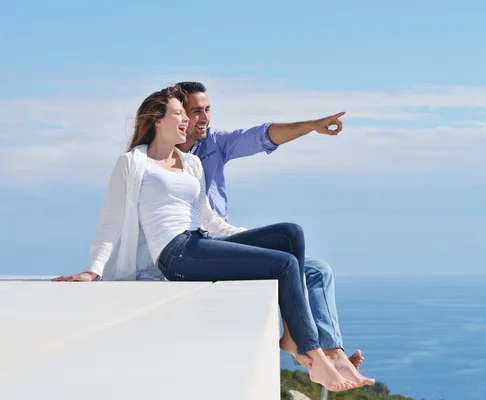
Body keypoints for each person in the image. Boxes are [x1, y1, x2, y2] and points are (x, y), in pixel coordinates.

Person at [52, 85, 373, 391]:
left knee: (290, 235)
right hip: (174, 253)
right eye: (180, 113)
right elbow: (111, 221)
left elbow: (210, 221)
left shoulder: (190, 163)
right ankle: (313, 355)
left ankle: (294, 336)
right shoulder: (134, 163)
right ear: (157, 121)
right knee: (286, 264)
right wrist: (93, 268)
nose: (188, 121)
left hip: (199, 239)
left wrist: (256, 242)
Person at [173, 81, 365, 372]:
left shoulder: (214, 144)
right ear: (179, 115)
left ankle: (329, 352)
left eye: (208, 110)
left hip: (226, 238)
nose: (205, 118)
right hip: (196, 247)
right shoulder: (159, 157)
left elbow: (262, 135)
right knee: (292, 245)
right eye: (196, 111)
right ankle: (308, 350)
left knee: (317, 270)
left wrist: (312, 125)